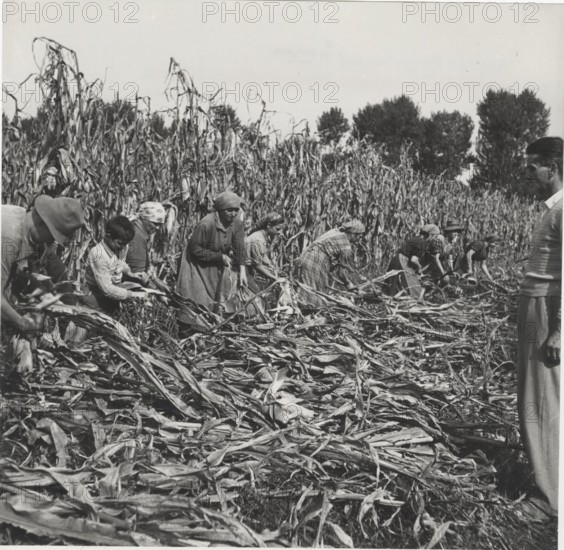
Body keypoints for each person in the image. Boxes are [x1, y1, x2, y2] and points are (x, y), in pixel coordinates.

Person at [517, 136, 562, 516]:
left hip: (545, 309)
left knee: (541, 399)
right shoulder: (553, 208)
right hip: (535, 306)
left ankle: (549, 499)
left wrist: (560, 330)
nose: (528, 174)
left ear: (555, 167)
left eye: (533, 167)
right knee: (535, 395)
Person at [1, 196, 85, 336]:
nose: (51, 241)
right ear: (41, 223)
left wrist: (40, 290)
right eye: (52, 236)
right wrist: (23, 324)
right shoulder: (9, 237)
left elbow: (12, 269)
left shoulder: (23, 217)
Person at [176, 191, 247, 335]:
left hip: (215, 261)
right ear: (220, 210)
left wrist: (242, 270)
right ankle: (191, 332)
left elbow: (239, 246)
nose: (233, 213)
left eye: (236, 210)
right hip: (195, 262)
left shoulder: (237, 223)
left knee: (218, 296)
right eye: (229, 210)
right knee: (198, 297)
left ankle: (216, 328)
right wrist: (220, 257)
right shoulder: (206, 224)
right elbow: (195, 250)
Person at [82, 216, 149, 317]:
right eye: (119, 244)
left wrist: (130, 273)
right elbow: (107, 289)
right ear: (108, 236)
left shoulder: (122, 246)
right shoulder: (98, 255)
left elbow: (119, 262)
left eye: (125, 244)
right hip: (95, 295)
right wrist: (133, 295)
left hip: (113, 292)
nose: (122, 247)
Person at [296, 220, 365, 307]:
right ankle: (310, 312)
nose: (359, 240)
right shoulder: (346, 245)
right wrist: (349, 284)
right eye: (359, 237)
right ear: (353, 233)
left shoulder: (335, 231)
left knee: (304, 288)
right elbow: (341, 272)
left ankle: (299, 308)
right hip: (315, 262)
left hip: (304, 257)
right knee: (316, 292)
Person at [125, 201, 166, 284]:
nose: (158, 228)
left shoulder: (135, 227)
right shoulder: (137, 235)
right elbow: (138, 273)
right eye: (155, 223)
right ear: (145, 219)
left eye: (160, 224)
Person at [383, 230, 427, 299]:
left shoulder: (414, 238)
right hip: (402, 262)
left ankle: (386, 302)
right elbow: (414, 260)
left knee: (391, 286)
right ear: (429, 235)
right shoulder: (422, 242)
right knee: (412, 287)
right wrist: (420, 267)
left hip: (396, 259)